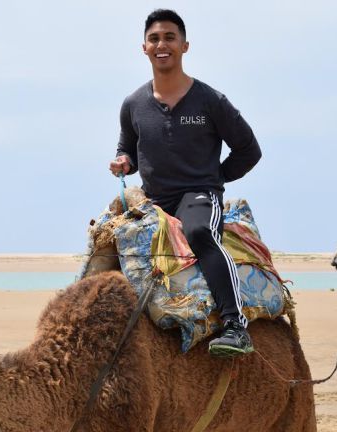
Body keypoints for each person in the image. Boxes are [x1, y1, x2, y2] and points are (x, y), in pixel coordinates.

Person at [109, 9, 262, 357]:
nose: (162, 44)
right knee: (106, 239)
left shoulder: (210, 101)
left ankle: (235, 326)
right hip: (152, 199)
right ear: (144, 48)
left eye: (169, 37)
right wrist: (124, 161)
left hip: (199, 196)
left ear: (184, 45)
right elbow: (127, 148)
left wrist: (215, 178)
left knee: (198, 233)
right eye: (154, 38)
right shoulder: (133, 104)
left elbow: (248, 150)